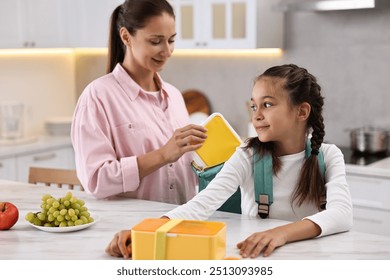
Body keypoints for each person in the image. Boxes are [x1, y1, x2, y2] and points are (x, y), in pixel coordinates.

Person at [105, 64, 353, 259]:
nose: (257, 115)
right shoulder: (247, 155)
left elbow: (341, 214)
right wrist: (146, 232)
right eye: (254, 106)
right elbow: (202, 204)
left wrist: (281, 233)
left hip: (313, 258)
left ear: (302, 112)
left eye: (267, 104)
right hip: (259, 259)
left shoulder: (328, 156)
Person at [71, 0, 207, 204]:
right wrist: (162, 155)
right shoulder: (98, 96)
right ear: (126, 36)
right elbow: (96, 180)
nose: (167, 51)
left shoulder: (174, 96)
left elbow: (187, 169)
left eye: (171, 40)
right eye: (155, 41)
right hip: (132, 229)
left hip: (181, 224)